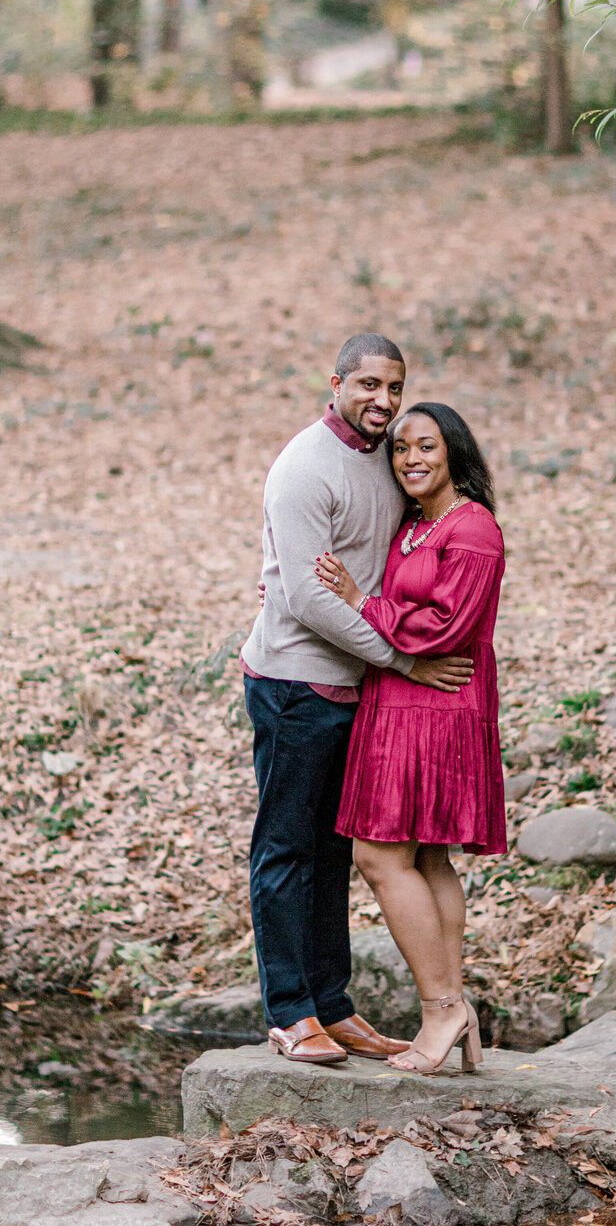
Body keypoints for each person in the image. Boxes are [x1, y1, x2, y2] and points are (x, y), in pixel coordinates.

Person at [241, 335, 474, 1068]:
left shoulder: (388, 454)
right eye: (368, 384)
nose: (382, 400)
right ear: (335, 382)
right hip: (296, 683)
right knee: (286, 848)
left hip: (363, 688)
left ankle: (333, 1006)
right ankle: (289, 1012)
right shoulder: (304, 466)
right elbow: (307, 596)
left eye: (394, 388)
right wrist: (404, 657)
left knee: (336, 851)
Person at [316, 401, 506, 1076]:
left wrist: (364, 604)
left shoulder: (472, 529)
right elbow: (412, 614)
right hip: (397, 698)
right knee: (425, 860)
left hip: (438, 701)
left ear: (454, 451)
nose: (411, 459)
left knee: (378, 856)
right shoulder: (414, 527)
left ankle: (442, 1007)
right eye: (400, 450)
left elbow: (446, 628)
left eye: (426, 446)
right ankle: (456, 1012)